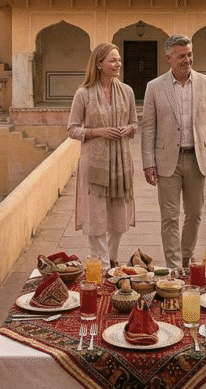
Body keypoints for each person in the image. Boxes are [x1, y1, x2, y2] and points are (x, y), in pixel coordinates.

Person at [141, 34, 206, 269]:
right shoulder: (155, 87)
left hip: (197, 158)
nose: (187, 60)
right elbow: (148, 127)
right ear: (169, 58)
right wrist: (148, 162)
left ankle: (186, 259)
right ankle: (174, 267)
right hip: (168, 160)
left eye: (189, 54)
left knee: (194, 215)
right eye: (181, 56)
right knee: (169, 218)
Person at [67, 43, 138, 267]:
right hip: (95, 164)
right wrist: (98, 132)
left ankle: (112, 258)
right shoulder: (84, 94)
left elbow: (135, 122)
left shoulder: (127, 91)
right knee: (96, 215)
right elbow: (72, 129)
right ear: (99, 64)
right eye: (112, 60)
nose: (118, 64)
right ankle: (103, 265)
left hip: (121, 163)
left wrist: (128, 129)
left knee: (119, 214)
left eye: (118, 60)